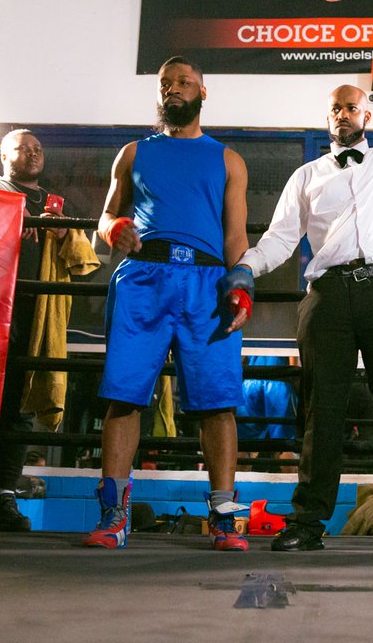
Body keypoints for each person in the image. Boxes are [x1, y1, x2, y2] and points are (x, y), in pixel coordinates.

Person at [223, 26, 373, 553]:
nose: (342, 114)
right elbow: (280, 240)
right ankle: (309, 524)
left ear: (367, 116)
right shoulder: (306, 176)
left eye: (351, 106)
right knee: (322, 414)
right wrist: (245, 269)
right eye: (335, 108)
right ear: (327, 117)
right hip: (329, 297)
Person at [82, 55, 252, 552]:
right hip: (143, 277)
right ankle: (113, 516)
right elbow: (106, 216)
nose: (174, 89)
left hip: (207, 281)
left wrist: (241, 284)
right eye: (166, 83)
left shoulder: (228, 160)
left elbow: (236, 235)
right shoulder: (133, 153)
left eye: (184, 82)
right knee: (124, 395)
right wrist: (111, 227)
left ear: (203, 93)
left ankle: (224, 518)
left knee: (218, 403)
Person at [0, 129, 99, 532]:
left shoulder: (53, 204)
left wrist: (62, 231)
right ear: (2, 155)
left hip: (33, 318)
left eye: (37, 149)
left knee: (19, 408)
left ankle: (4, 499)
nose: (31, 154)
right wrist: (8, 215)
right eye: (22, 148)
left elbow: (84, 260)